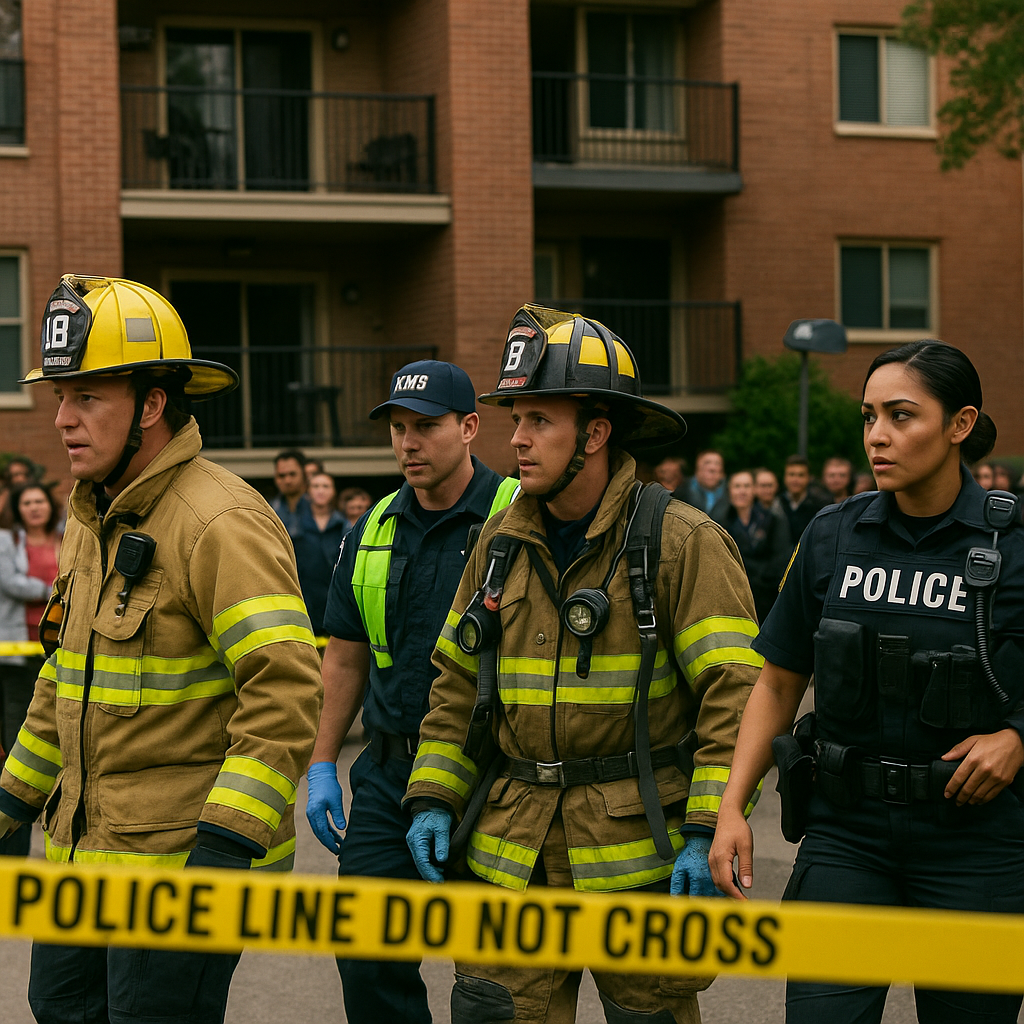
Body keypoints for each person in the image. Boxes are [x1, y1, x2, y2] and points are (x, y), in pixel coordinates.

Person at [403, 306, 762, 1024]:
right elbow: (454, 681)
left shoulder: (682, 542)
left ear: (596, 432)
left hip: (641, 859)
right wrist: (433, 796)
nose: (519, 439)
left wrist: (708, 825)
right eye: (516, 419)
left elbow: (737, 698)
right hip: (512, 855)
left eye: (539, 419)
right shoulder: (498, 543)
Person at [0, 275, 323, 1024]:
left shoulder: (221, 522)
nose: (64, 420)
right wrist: (11, 803)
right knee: (58, 1008)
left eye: (88, 397)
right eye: (59, 397)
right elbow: (64, 681)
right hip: (84, 859)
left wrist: (222, 847)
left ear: (151, 404)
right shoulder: (91, 518)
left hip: (180, 868)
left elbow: (283, 693)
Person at [709, 339, 1024, 1024]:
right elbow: (779, 682)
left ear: (960, 425)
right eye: (868, 416)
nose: (877, 436)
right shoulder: (830, 535)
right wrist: (733, 807)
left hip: (973, 842)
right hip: (848, 835)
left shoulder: (1014, 548)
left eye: (901, 416)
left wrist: (1018, 739)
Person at [305, 359, 519, 1024]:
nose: (408, 442)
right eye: (398, 428)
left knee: (492, 981)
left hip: (495, 779)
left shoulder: (518, 516)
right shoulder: (371, 530)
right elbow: (345, 655)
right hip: (389, 776)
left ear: (471, 427)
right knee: (364, 952)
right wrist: (320, 764)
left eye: (425, 427)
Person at [0, 484, 57, 856]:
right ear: (18, 509)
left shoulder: (69, 535)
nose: (35, 508)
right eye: (27, 502)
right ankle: (16, 803)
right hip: (17, 648)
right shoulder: (7, 541)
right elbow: (9, 582)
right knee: (20, 724)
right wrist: (54, 588)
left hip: (58, 646)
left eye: (39, 501)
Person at [715, 470, 792, 624]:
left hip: (766, 595)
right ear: (729, 490)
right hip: (733, 595)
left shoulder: (772, 520)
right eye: (737, 486)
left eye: (746, 486)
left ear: (754, 490)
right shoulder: (720, 522)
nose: (742, 491)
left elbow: (781, 556)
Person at [293, 471, 347, 635]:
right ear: (308, 492)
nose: (320, 491)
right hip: (304, 595)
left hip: (333, 596)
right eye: (315, 486)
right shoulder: (294, 524)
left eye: (326, 486)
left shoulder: (342, 524)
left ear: (333, 491)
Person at [781, 454, 827, 542]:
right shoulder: (776, 504)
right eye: (791, 474)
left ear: (809, 478)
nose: (795, 479)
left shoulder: (819, 506)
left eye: (801, 475)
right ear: (785, 477)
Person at [270, 447, 310, 537]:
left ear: (304, 474)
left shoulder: (318, 506)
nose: (287, 480)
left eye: (292, 474)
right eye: (282, 475)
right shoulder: (271, 509)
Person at [678, 448, 727, 517]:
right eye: (707, 463)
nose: (712, 468)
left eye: (717, 463)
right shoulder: (681, 490)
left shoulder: (730, 493)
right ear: (697, 469)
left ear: (722, 472)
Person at [0, 456, 36, 530]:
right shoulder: (6, 494)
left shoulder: (35, 492)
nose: (18, 478)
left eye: (20, 474)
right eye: (13, 475)